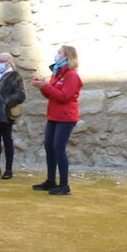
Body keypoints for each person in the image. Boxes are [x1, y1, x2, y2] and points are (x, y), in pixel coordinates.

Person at [31, 44, 82, 195]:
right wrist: (42, 87)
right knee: (49, 146)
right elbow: (51, 94)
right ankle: (51, 180)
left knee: (58, 148)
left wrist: (45, 86)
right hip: (53, 115)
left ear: (67, 56)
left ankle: (64, 185)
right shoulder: (56, 72)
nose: (57, 54)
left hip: (66, 117)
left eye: (59, 52)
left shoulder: (71, 75)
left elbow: (64, 96)